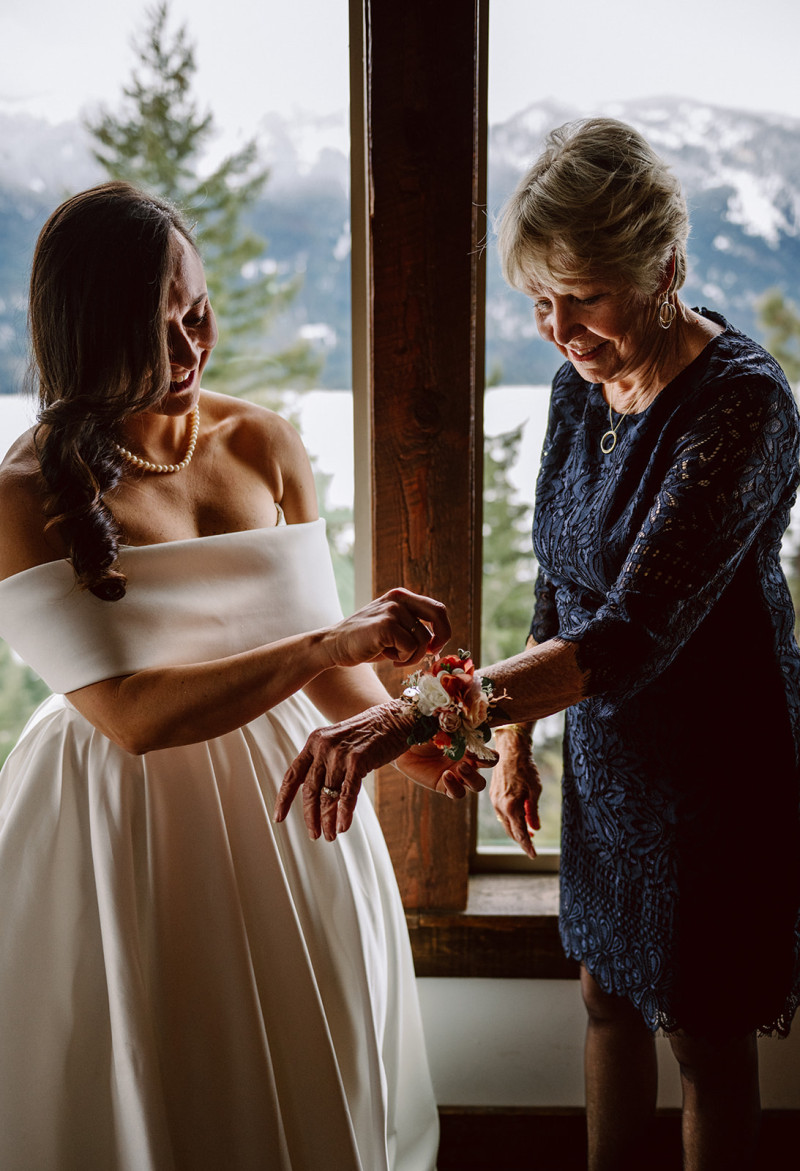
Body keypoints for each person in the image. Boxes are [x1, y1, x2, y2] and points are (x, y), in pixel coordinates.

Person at [276, 119, 800, 1170]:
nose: (557, 328)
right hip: (606, 752)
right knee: (603, 997)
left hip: (714, 767)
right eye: (537, 299)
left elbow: (630, 629)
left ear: (663, 267)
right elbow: (563, 573)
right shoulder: (579, 383)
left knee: (701, 1037)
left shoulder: (742, 406)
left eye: (584, 297)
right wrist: (520, 748)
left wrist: (405, 718)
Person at [0, 181, 488, 1170]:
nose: (190, 351)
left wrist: (426, 744)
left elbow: (321, 660)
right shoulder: (20, 496)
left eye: (197, 313)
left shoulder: (262, 443)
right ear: (84, 341)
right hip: (122, 822)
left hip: (288, 802)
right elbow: (131, 716)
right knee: (159, 1073)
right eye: (155, 333)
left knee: (321, 1061)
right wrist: (330, 646)